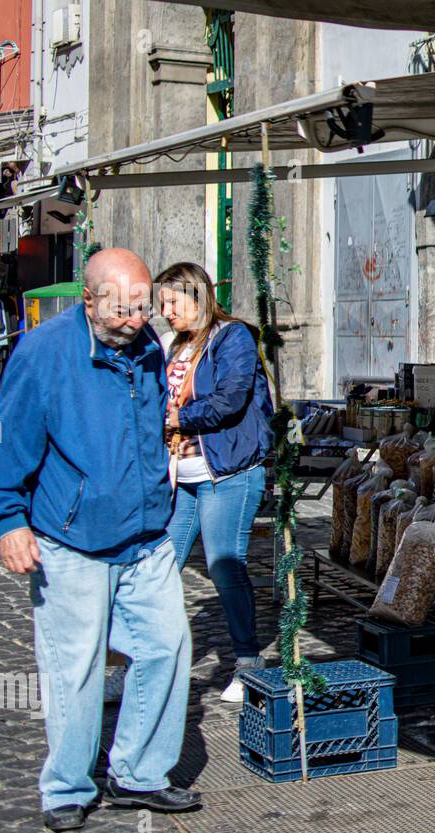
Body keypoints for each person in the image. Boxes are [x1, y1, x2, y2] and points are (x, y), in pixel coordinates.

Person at [0, 248, 200, 832]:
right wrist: (8, 520)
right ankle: (67, 787)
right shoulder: (43, 353)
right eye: (123, 310)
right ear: (89, 299)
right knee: (73, 668)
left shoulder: (147, 345)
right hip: (70, 540)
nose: (136, 320)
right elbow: (8, 442)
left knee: (164, 648)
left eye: (143, 307)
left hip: (146, 535)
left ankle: (138, 774)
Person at [156, 263, 274, 703]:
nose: (165, 311)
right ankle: (147, 665)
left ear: (199, 296)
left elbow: (230, 398)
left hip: (227, 473)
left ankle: (247, 662)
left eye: (172, 301)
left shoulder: (233, 338)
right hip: (180, 476)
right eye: (161, 303)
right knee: (159, 569)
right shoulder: (174, 344)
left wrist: (175, 417)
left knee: (225, 568)